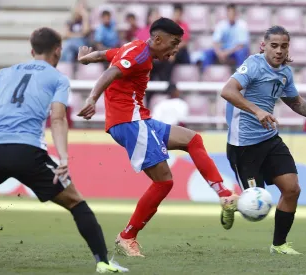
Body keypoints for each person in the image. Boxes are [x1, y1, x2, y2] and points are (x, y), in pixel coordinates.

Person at [0, 27, 128, 273]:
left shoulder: (4, 74)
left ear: (31, 50)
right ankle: (103, 262)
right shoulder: (57, 79)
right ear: (58, 51)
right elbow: (57, 119)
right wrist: (64, 158)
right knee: (76, 203)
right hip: (28, 152)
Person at [76, 17, 238, 257]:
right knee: (164, 182)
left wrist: (86, 58)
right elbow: (112, 71)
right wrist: (91, 98)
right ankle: (127, 236)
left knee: (192, 139)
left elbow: (107, 55)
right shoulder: (139, 55)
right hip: (130, 123)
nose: (175, 50)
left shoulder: (132, 48)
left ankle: (224, 196)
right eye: (173, 44)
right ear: (158, 39)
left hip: (139, 120)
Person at [221, 26, 306, 255]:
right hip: (244, 145)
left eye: (284, 46)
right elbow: (228, 91)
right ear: (263, 46)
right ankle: (231, 202)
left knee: (292, 189)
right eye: (274, 45)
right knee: (257, 206)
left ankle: (279, 245)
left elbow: (295, 102)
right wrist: (257, 111)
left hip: (270, 140)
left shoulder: (285, 73)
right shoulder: (253, 64)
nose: (279, 51)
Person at [201, 4, 250, 71]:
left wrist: (226, 53)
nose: (231, 15)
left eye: (233, 13)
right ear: (227, 13)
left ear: (236, 14)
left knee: (241, 53)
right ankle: (206, 75)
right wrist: (219, 53)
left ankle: (241, 76)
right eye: (229, 12)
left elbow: (241, 45)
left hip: (235, 51)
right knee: (208, 53)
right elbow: (215, 42)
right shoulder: (221, 25)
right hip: (223, 50)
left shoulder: (242, 25)